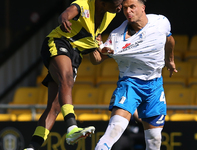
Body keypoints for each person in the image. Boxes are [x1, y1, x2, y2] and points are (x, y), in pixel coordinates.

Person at [24, 0, 123, 150]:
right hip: (59, 42)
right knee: (67, 79)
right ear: (103, 2)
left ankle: (32, 147)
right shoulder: (84, 4)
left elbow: (95, 59)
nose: (120, 7)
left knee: (55, 107)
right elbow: (66, 13)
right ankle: (72, 127)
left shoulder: (110, 15)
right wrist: (64, 19)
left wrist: (105, 52)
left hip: (75, 56)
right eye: (118, 3)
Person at [89, 0, 177, 149]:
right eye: (125, 8)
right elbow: (97, 60)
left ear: (143, 8)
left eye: (132, 7)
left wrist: (170, 60)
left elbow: (169, 40)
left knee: (155, 140)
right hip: (130, 84)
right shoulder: (116, 37)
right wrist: (91, 44)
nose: (128, 11)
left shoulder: (161, 22)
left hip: (155, 85)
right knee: (114, 130)